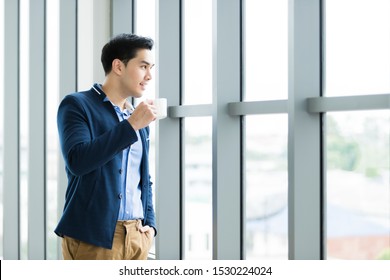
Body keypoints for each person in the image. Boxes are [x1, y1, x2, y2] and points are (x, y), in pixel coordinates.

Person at [55, 33, 157, 260]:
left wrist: (150, 223)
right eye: (143, 66)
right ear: (118, 66)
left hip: (137, 237)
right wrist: (131, 126)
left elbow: (143, 177)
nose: (149, 76)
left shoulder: (136, 115)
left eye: (151, 68)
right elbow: (78, 161)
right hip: (94, 239)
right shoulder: (77, 104)